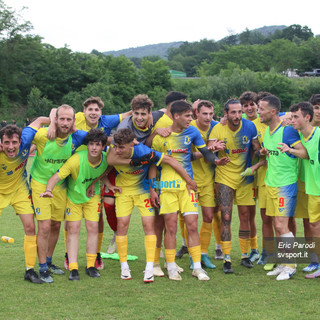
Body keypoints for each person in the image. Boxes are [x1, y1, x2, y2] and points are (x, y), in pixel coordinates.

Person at [105, 128, 197, 283]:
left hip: (143, 191)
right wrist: (108, 182)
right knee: (122, 226)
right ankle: (124, 267)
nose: (118, 150)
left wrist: (189, 180)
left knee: (149, 226)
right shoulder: (113, 153)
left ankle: (149, 268)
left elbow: (171, 160)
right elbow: (109, 163)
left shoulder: (144, 151)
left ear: (132, 145)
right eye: (116, 146)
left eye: (121, 147)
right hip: (124, 192)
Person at [150, 100, 228, 281]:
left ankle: (197, 267)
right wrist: (154, 188)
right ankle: (170, 266)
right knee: (170, 228)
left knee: (192, 225)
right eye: (187, 116)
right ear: (176, 116)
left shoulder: (192, 132)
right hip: (167, 187)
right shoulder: (161, 137)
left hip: (188, 186)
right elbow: (152, 165)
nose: (190, 119)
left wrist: (215, 161)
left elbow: (205, 151)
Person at [60, 96, 132, 271]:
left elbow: (129, 113)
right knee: (70, 220)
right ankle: (69, 255)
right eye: (89, 110)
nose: (93, 113)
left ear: (100, 112)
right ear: (83, 111)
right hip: (73, 173)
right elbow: (57, 114)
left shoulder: (106, 120)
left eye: (96, 110)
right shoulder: (75, 118)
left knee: (96, 218)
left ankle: (96, 254)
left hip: (95, 174)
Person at [40, 129, 109, 280]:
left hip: (92, 197)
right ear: (87, 145)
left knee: (93, 227)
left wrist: (96, 182)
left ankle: (91, 265)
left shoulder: (106, 158)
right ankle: (73, 268)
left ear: (103, 146)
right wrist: (48, 189)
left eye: (98, 144)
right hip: (73, 199)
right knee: (73, 229)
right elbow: (56, 176)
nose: (94, 148)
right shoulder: (76, 159)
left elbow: (109, 168)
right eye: (91, 144)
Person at [30, 104, 87, 283]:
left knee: (55, 225)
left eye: (68, 119)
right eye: (61, 118)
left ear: (73, 122)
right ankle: (41, 268)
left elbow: (98, 140)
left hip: (60, 187)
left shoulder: (75, 138)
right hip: (40, 184)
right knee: (44, 227)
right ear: (56, 119)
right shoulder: (43, 135)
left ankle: (48, 261)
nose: (65, 122)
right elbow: (24, 143)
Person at [258, 95, 308, 280]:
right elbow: (273, 155)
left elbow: (303, 152)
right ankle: (283, 262)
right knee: (277, 227)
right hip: (270, 184)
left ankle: (291, 265)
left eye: (261, 109)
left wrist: (290, 150)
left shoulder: (287, 131)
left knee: (281, 225)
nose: (258, 112)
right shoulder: (266, 132)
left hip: (285, 185)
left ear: (272, 111)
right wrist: (265, 152)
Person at [208, 99, 260, 274]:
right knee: (227, 217)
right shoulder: (218, 128)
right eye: (233, 112)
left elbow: (256, 148)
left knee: (245, 217)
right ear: (226, 113)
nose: (237, 116)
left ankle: (245, 255)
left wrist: (264, 152)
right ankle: (227, 257)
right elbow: (208, 150)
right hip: (224, 178)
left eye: (240, 112)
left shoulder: (249, 126)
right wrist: (214, 148)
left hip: (245, 177)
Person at [0, 116, 51, 284]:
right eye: (6, 143)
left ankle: (30, 270)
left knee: (30, 227)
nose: (11, 147)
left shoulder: (27, 136)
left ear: (20, 141)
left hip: (19, 190)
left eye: (14, 142)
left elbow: (42, 119)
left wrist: (53, 125)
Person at [189, 100, 223, 268]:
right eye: (204, 114)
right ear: (197, 114)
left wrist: (219, 159)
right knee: (191, 220)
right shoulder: (189, 128)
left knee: (209, 217)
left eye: (211, 114)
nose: (208, 117)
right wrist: (208, 151)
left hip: (208, 180)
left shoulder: (216, 127)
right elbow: (187, 156)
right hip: (191, 180)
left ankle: (203, 254)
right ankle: (192, 255)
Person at [289, 102, 320, 279]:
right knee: (314, 226)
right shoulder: (301, 138)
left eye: (296, 117)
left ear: (307, 118)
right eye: (291, 116)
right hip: (314, 190)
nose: (292, 120)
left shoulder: (319, 135)